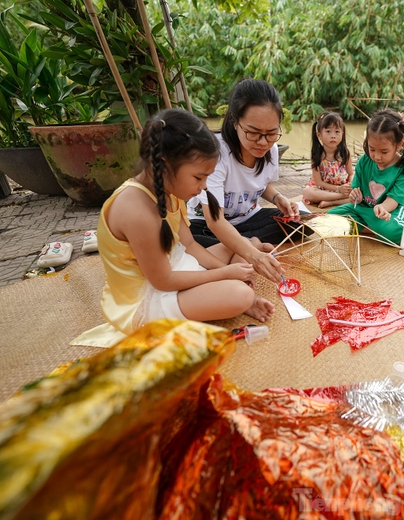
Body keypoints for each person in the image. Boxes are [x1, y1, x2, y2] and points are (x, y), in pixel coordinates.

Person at [97, 109, 276, 338]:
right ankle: (234, 298)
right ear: (164, 165)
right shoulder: (137, 212)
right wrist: (224, 275)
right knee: (241, 294)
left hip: (176, 267)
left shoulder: (168, 191)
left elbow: (190, 246)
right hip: (147, 296)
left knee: (238, 244)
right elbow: (163, 280)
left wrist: (228, 272)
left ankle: (224, 295)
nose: (203, 187)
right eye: (198, 177)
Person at [187, 78, 299, 248]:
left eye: (271, 133)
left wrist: (278, 198)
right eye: (253, 132)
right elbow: (215, 221)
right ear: (234, 121)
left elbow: (259, 184)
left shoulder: (272, 149)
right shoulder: (214, 153)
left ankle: (237, 244)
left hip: (247, 220)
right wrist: (254, 255)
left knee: (300, 223)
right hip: (207, 224)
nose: (263, 142)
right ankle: (244, 244)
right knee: (189, 241)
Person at [328, 109, 404, 246]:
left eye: (384, 151)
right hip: (365, 208)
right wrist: (355, 196)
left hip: (391, 210)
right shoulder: (364, 161)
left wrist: (383, 208)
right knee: (331, 216)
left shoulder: (403, 168)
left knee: (391, 233)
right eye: (372, 149)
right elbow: (356, 191)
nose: (377, 156)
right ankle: (374, 228)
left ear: (399, 145)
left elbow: (393, 201)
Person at [302, 111, 354, 208]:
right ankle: (341, 198)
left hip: (343, 187)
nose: (333, 135)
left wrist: (351, 185)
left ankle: (331, 202)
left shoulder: (345, 153)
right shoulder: (316, 155)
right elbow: (318, 182)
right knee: (307, 192)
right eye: (328, 131)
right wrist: (339, 190)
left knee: (361, 193)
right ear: (319, 135)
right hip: (325, 189)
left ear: (342, 134)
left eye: (337, 131)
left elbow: (351, 174)